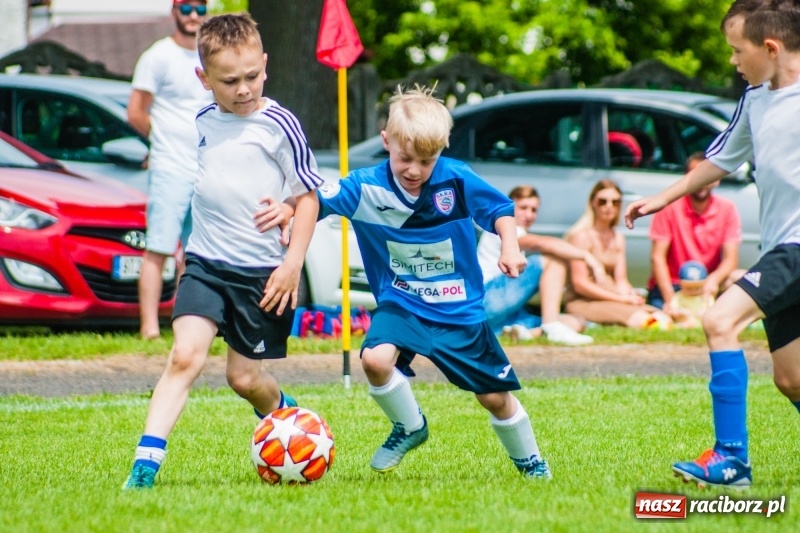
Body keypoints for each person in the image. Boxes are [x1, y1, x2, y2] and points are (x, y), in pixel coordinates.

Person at [270, 85, 552, 479]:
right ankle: (410, 426)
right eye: (405, 158)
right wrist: (288, 208)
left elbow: (501, 210)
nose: (415, 170)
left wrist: (510, 246)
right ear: (386, 141)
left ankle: (531, 461)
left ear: (441, 150)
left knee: (493, 397)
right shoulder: (364, 186)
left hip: (459, 310)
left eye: (426, 161)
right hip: (401, 304)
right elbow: (314, 199)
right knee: (375, 359)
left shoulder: (455, 179)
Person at [123, 13, 323, 490]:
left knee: (244, 379)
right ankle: (145, 467)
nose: (243, 89)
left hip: (261, 275)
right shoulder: (203, 120)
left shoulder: (280, 125)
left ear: (265, 64)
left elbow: (309, 197)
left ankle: (291, 423)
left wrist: (292, 261)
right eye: (229, 81)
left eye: (252, 76)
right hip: (206, 265)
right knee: (184, 357)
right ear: (204, 78)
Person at [625, 0, 800, 489]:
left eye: (737, 50)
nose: (732, 61)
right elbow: (721, 159)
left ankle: (731, 461)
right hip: (780, 247)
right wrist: (661, 199)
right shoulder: (756, 100)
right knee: (791, 377)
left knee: (719, 320)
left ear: (770, 47)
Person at [129, 0, 213, 340]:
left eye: (200, 9)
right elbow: (136, 112)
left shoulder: (210, 55)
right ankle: (149, 328)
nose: (194, 15)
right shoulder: (158, 56)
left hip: (206, 169)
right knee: (160, 247)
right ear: (174, 11)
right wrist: (161, 140)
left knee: (196, 252)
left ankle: (184, 323)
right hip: (170, 167)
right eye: (187, 7)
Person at [477, 185, 598, 345]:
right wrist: (585, 255)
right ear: (509, 208)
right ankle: (551, 327)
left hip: (498, 315)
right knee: (552, 259)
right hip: (486, 301)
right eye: (523, 208)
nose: (529, 215)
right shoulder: (502, 228)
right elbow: (541, 243)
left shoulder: (516, 233)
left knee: (576, 321)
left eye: (534, 210)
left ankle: (524, 333)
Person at [564, 179, 672, 329]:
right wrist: (621, 299)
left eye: (615, 202)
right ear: (593, 203)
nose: (609, 206)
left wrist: (629, 294)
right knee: (644, 320)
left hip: (612, 297)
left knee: (661, 316)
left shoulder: (617, 237)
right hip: (583, 301)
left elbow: (621, 280)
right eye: (603, 201)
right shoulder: (581, 237)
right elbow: (580, 284)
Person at [647, 152, 745, 312]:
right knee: (661, 317)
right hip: (675, 285)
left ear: (717, 179)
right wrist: (671, 301)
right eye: (696, 176)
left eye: (707, 176)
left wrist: (713, 280)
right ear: (686, 179)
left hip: (707, 286)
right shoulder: (669, 207)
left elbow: (731, 259)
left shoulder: (727, 209)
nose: (702, 182)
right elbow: (657, 258)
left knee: (741, 277)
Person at [670, 260, 715, 329]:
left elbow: (713, 311)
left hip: (701, 323)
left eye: (697, 288)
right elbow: (672, 310)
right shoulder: (678, 296)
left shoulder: (706, 297)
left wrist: (705, 313)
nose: (693, 291)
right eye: (689, 288)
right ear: (680, 284)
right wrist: (679, 313)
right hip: (684, 322)